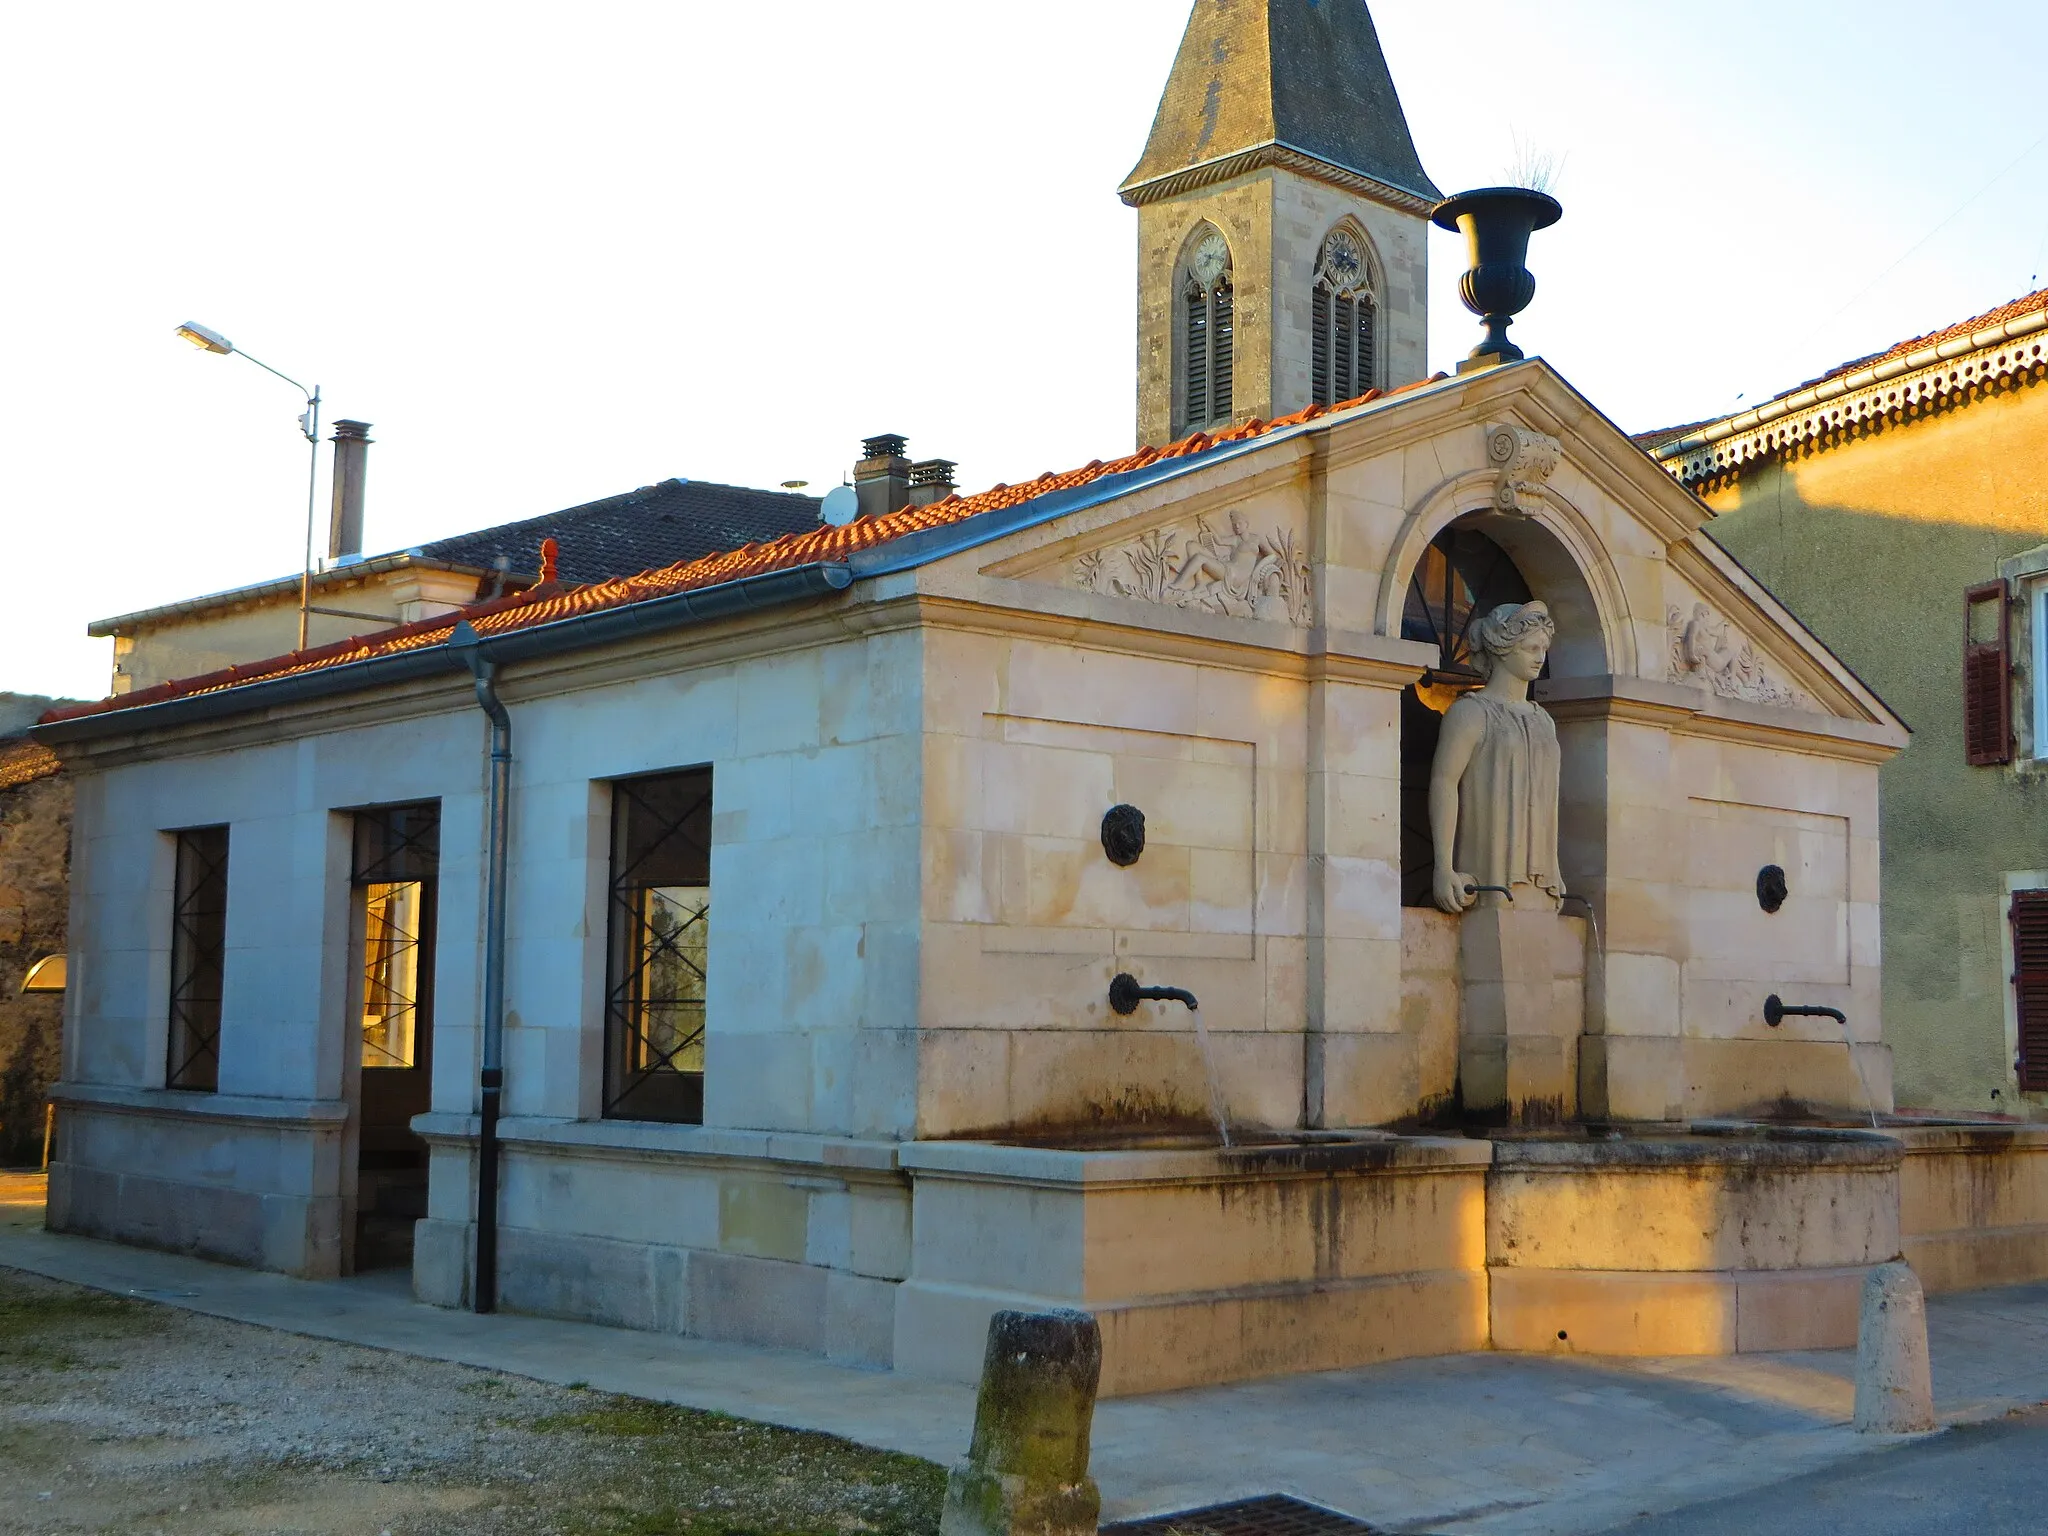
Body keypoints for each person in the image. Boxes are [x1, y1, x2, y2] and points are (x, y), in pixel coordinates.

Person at [1429, 601, 1566, 914]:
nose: (1540, 657)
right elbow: (1444, 783)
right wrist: (1443, 867)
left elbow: (1548, 801)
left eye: (1543, 648)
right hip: (1487, 876)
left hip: (1538, 882)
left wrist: (1554, 867)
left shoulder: (1543, 720)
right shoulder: (1471, 712)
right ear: (1503, 648)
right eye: (1531, 648)